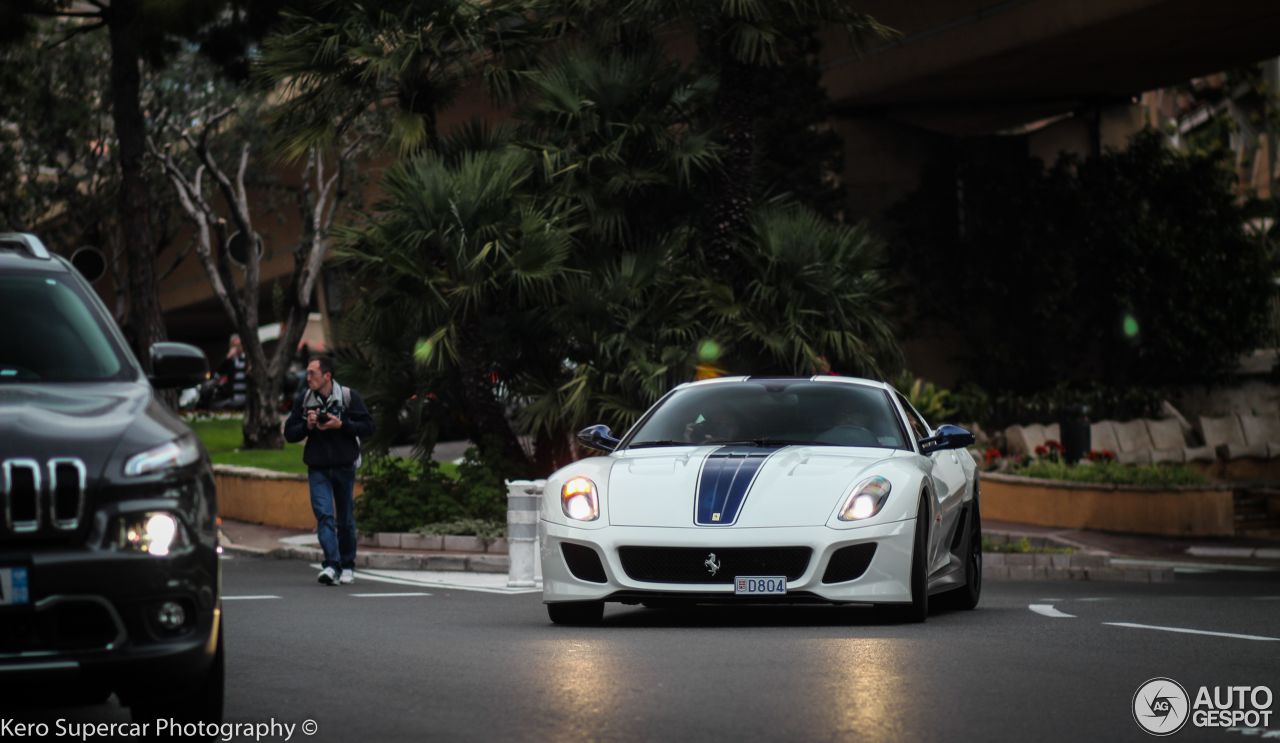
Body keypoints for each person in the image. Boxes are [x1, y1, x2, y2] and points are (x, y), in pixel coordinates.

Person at [283, 357, 375, 586]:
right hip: (318, 467)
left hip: (344, 466)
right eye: (307, 373)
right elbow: (289, 433)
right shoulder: (305, 399)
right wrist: (308, 425)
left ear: (327, 376)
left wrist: (341, 425)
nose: (308, 377)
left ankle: (348, 565)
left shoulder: (347, 396)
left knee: (345, 520)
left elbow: (369, 427)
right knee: (324, 516)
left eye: (313, 373)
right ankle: (332, 565)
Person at [213, 334, 248, 410]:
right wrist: (228, 357)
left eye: (239, 345)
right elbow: (217, 375)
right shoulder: (229, 361)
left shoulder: (247, 359)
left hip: (246, 399)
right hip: (233, 399)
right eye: (234, 346)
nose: (237, 348)